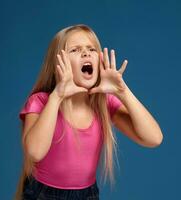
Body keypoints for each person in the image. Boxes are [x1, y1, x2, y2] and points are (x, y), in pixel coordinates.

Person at [14, 24, 163, 200]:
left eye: (91, 49)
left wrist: (123, 92)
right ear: (58, 63)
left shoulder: (103, 104)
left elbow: (154, 138)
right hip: (43, 194)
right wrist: (57, 96)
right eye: (75, 50)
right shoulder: (41, 102)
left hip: (87, 195)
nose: (86, 53)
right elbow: (34, 152)